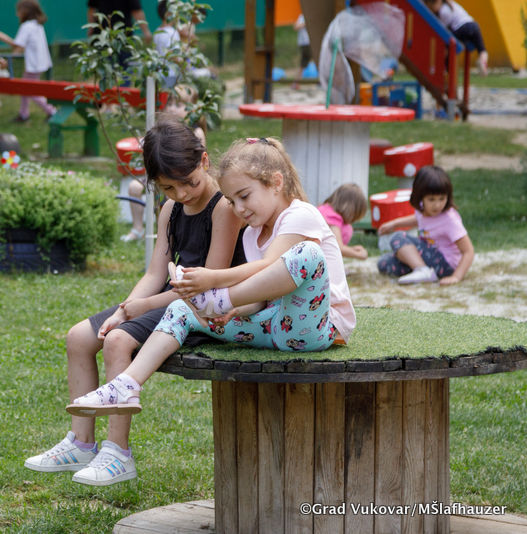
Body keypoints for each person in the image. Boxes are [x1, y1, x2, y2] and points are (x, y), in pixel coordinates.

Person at [65, 138, 357, 478]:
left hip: (317, 328)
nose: (239, 209)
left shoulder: (301, 215)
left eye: (244, 196)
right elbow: (262, 297)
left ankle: (214, 300)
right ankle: (127, 385)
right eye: (232, 201)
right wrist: (233, 311)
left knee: (307, 255)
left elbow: (271, 267)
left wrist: (215, 284)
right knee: (185, 310)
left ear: (276, 182)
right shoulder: (252, 235)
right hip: (274, 327)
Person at [24, 116, 245, 486]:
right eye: (168, 187)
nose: (182, 194)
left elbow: (206, 287)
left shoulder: (223, 207)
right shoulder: (170, 210)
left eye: (188, 182)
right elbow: (155, 273)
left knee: (117, 340)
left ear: (205, 161)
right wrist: (125, 309)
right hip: (170, 297)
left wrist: (137, 311)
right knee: (79, 337)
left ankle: (118, 453)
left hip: (201, 309)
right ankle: (81, 443)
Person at [121, 84, 206, 242]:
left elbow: (198, 163)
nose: (172, 109)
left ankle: (173, 230)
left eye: (178, 105)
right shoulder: (164, 133)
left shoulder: (196, 132)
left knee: (172, 193)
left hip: (179, 178)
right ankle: (138, 228)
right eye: (170, 104)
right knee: (134, 187)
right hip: (164, 178)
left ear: (193, 108)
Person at [377, 165, 474, 285]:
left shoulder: (450, 220)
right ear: (420, 196)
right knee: (384, 263)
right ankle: (421, 271)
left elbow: (468, 251)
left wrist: (456, 277)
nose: (437, 205)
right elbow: (418, 219)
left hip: (445, 264)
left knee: (398, 238)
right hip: (429, 259)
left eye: (442, 198)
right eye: (431, 199)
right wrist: (394, 224)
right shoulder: (423, 210)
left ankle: (422, 271)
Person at [11, 0, 56, 123]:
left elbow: (19, 46)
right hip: (40, 63)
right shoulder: (37, 25)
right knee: (26, 88)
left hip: (34, 65)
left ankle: (52, 111)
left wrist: (10, 59)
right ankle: (24, 114)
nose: (17, 14)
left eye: (19, 11)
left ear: (25, 11)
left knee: (30, 90)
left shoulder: (27, 26)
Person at [425, 0, 488, 76]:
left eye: (430, 7)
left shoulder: (444, 11)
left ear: (438, 1)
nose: (431, 10)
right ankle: (482, 62)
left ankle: (444, 67)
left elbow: (443, 31)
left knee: (447, 44)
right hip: (474, 26)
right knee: (482, 50)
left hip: (461, 28)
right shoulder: (451, 4)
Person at [317, 183, 369, 260]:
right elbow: (337, 247)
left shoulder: (323, 209)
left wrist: (352, 249)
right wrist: (359, 254)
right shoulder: (333, 218)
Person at [153, 0, 181, 89]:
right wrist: (183, 67)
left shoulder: (157, 31)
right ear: (169, 14)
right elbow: (172, 54)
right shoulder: (172, 32)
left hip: (159, 73)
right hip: (171, 74)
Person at [293, 13, 310, 90]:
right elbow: (296, 26)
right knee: (303, 63)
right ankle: (296, 82)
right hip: (305, 43)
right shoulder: (302, 16)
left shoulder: (307, 16)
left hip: (308, 42)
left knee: (304, 63)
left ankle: (296, 82)